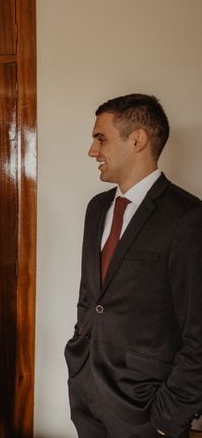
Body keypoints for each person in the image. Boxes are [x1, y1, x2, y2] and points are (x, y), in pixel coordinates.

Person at [65, 94, 202, 438]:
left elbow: (199, 332)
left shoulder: (187, 217)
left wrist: (168, 419)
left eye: (101, 138)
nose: (92, 151)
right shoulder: (96, 208)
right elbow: (90, 295)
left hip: (146, 411)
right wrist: (77, 357)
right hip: (86, 397)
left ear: (137, 139)